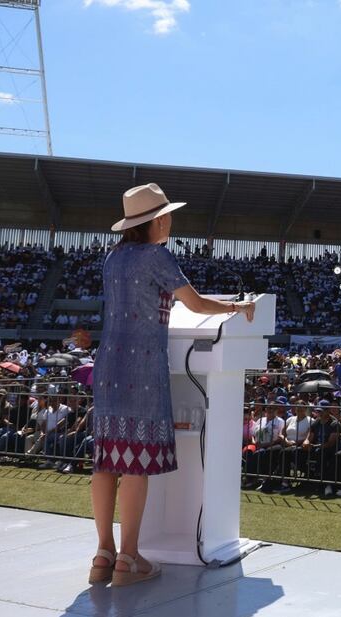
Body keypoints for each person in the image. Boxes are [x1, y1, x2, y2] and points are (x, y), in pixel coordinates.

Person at [89, 183, 255, 587]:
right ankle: (129, 557)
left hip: (109, 363)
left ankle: (103, 554)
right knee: (135, 462)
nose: (171, 222)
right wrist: (239, 306)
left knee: (106, 460)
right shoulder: (157, 256)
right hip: (143, 368)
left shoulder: (113, 258)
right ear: (157, 220)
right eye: (168, 216)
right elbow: (196, 304)